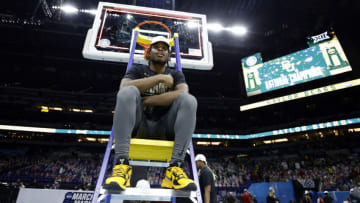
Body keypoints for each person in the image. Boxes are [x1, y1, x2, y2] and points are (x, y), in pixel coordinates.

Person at [104, 36, 198, 191]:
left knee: (189, 100)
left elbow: (182, 92)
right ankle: (121, 167)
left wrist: (147, 101)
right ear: (148, 52)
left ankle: (175, 169)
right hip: (138, 126)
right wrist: (159, 78)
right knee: (128, 92)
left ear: (169, 55)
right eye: (157, 47)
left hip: (164, 128)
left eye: (164, 48)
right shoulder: (137, 69)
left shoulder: (175, 75)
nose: (161, 50)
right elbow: (124, 87)